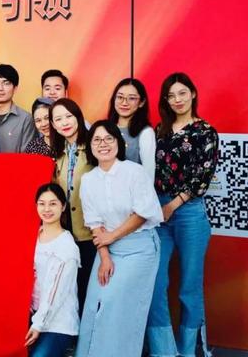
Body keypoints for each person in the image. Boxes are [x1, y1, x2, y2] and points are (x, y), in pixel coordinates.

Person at [75, 120, 162, 356]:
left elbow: (142, 214)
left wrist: (111, 237)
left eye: (108, 139)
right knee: (94, 304)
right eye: (96, 140)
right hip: (107, 249)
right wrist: (104, 257)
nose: (103, 144)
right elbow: (94, 223)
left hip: (139, 248)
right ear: (90, 146)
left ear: (119, 143)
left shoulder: (134, 172)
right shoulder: (88, 180)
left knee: (116, 305)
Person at [147, 73, 218, 357]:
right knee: (155, 282)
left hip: (189, 213)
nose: (177, 100)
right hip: (158, 213)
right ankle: (163, 351)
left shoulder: (205, 131)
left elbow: (202, 178)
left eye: (182, 93)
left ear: (193, 94)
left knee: (190, 286)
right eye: (171, 95)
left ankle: (188, 351)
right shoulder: (159, 131)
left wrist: (172, 205)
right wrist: (157, 207)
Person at [25, 183, 80, 357]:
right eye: (42, 204)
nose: (47, 209)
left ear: (63, 206)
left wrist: (38, 325)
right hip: (32, 317)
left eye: (53, 204)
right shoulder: (32, 237)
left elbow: (55, 293)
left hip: (58, 324)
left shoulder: (66, 246)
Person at [49, 98, 94, 313]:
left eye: (68, 116)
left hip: (92, 232)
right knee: (70, 289)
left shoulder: (93, 147)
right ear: (53, 124)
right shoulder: (58, 153)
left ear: (78, 117)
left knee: (90, 288)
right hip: (67, 232)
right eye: (58, 119)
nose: (64, 122)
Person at [0, 64, 35, 153]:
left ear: (15, 88)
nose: (0, 88)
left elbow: (27, 156)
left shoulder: (26, 119)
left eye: (6, 83)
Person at [107, 78, 155, 181]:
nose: (124, 103)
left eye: (132, 98)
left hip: (133, 189)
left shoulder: (145, 132)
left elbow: (149, 173)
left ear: (141, 102)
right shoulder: (105, 128)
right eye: (120, 97)